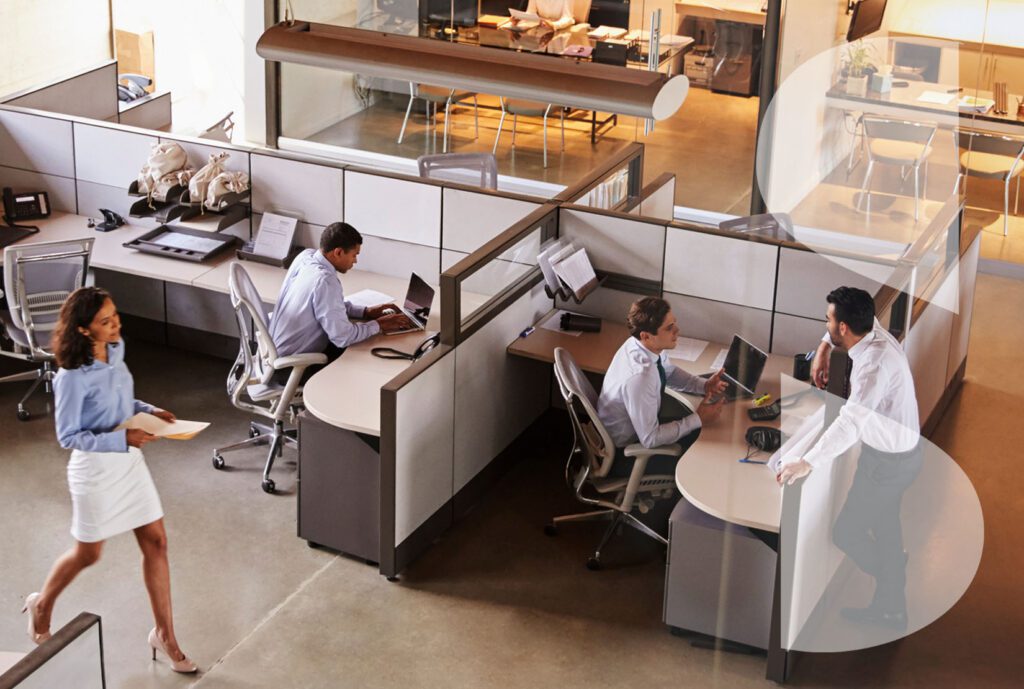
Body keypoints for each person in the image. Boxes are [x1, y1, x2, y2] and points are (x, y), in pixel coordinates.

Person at [21, 287, 196, 673]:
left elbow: (121, 403)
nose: (115, 323)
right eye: (105, 321)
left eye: (114, 315)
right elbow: (68, 436)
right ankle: (43, 602)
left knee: (157, 543)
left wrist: (149, 410)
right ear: (84, 330)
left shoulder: (115, 350)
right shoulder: (71, 377)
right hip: (95, 469)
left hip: (129, 462)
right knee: (89, 554)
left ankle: (164, 635)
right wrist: (122, 438)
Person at [778, 286, 921, 629]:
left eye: (828, 320)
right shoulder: (872, 331)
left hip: (889, 464)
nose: (826, 322)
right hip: (898, 455)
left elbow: (850, 423)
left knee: (847, 532)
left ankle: (892, 578)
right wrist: (825, 346)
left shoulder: (872, 367)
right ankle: (891, 609)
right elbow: (838, 327)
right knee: (886, 530)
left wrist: (807, 461)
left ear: (844, 327)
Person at [597, 297, 728, 479]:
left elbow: (668, 372)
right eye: (669, 328)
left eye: (674, 323)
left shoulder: (643, 346)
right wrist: (698, 418)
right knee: (706, 451)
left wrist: (704, 385)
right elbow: (650, 439)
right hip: (628, 453)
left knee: (706, 433)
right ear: (646, 335)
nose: (677, 330)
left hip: (641, 430)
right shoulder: (639, 377)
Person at [268, 222, 411, 365]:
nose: (355, 261)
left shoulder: (306, 257)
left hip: (274, 353)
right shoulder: (325, 280)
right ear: (338, 252)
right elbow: (343, 337)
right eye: (354, 255)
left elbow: (328, 305)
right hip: (292, 366)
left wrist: (365, 312)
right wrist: (379, 325)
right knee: (366, 356)